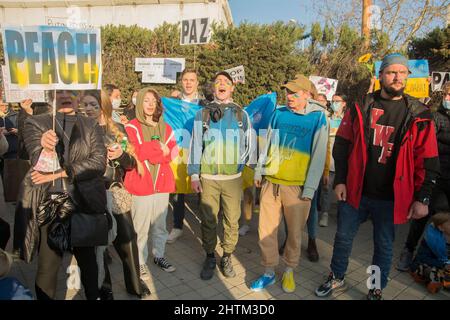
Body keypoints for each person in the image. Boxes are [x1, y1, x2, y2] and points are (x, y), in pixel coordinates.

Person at [314, 53, 440, 300]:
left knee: (382, 246)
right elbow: (341, 144)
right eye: (392, 72)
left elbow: (429, 161)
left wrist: (422, 198)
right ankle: (337, 276)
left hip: (391, 197)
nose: (397, 77)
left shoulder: (420, 114)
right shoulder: (361, 106)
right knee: (342, 237)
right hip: (356, 190)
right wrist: (340, 179)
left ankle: (374, 286)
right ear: (380, 75)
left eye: (402, 72)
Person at [13, 90, 108, 300]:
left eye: (71, 92)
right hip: (51, 206)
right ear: (50, 96)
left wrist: (61, 173)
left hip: (83, 203)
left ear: (78, 97)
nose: (65, 95)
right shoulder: (36, 122)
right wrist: (44, 147)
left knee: (88, 264)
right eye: (60, 91)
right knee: (48, 267)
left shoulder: (90, 124)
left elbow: (98, 163)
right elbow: (36, 162)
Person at [250, 74, 328, 293]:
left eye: (294, 93)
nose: (289, 96)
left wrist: (311, 188)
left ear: (306, 94)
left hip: (298, 187)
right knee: (265, 231)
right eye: (287, 92)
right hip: (270, 183)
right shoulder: (278, 113)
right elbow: (267, 144)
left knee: (294, 234)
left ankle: (289, 271)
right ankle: (268, 273)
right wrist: (259, 170)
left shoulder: (318, 118)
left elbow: (319, 154)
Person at [188, 71, 255, 281]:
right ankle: (209, 256)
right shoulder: (203, 114)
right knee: (208, 220)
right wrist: (194, 175)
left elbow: (249, 145)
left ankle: (226, 256)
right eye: (218, 82)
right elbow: (195, 145)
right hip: (208, 178)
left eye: (226, 82)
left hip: (232, 180)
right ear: (214, 88)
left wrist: (238, 167)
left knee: (232, 221)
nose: (222, 85)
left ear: (233, 88)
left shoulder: (241, 114)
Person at [87, 90, 151, 299]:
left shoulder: (118, 129)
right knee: (99, 245)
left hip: (115, 192)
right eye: (85, 106)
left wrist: (121, 155)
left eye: (93, 105)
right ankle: (104, 288)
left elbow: (133, 163)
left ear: (104, 106)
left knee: (127, 239)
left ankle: (134, 284)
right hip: (91, 193)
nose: (88, 110)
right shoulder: (82, 129)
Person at [124, 87, 178, 281]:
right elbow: (134, 152)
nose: (149, 104)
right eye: (146, 100)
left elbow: (173, 153)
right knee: (140, 227)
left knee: (160, 226)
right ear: (139, 103)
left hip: (162, 185)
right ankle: (140, 262)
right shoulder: (131, 126)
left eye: (153, 101)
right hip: (141, 185)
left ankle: (159, 255)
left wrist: (158, 152)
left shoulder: (166, 128)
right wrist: (158, 149)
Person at [396, 81, 450, 271]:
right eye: (446, 95)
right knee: (423, 216)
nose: (447, 99)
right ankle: (408, 250)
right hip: (436, 178)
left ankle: (440, 258)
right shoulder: (435, 117)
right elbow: (427, 149)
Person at [167, 69, 209, 244]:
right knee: (177, 192)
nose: (189, 83)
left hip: (200, 151)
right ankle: (177, 227)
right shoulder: (172, 103)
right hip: (179, 151)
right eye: (185, 80)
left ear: (197, 82)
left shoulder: (205, 104)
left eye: (192, 80)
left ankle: (206, 229)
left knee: (204, 192)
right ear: (181, 82)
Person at [319, 93, 347, 228]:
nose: (334, 103)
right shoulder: (327, 119)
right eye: (333, 101)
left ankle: (342, 216)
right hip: (329, 162)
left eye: (337, 101)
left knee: (342, 190)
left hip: (342, 163)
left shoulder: (347, 120)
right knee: (326, 189)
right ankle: (324, 213)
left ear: (344, 103)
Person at [409, 212, 450, 293]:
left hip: (443, 265)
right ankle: (433, 281)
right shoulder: (431, 240)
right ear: (441, 227)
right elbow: (423, 259)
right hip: (424, 264)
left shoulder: (447, 235)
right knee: (434, 271)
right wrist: (444, 264)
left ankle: (444, 281)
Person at [0, 102, 18, 177]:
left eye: (6, 105)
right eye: (2, 105)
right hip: (1, 150)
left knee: (12, 175)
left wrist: (17, 131)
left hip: (12, 150)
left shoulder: (16, 115)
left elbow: (24, 129)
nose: (5, 107)